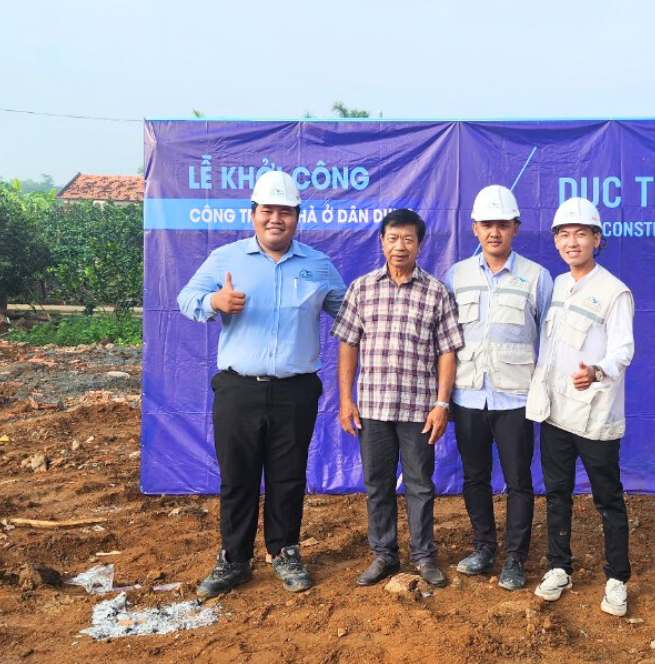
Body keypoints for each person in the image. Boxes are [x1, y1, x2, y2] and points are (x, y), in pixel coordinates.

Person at [176, 170, 346, 597]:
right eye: (268, 210)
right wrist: (214, 301)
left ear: (297, 218)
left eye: (285, 211)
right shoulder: (226, 258)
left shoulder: (318, 265)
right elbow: (186, 299)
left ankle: (285, 552)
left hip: (295, 391)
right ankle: (234, 559)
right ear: (252, 214)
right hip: (239, 389)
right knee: (238, 478)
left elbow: (350, 313)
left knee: (288, 477)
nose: (276, 219)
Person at [331, 208, 464, 588]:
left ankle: (423, 556)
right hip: (372, 408)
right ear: (382, 242)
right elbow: (348, 344)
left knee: (420, 484)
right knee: (377, 483)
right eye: (393, 238)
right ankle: (384, 554)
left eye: (408, 239)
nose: (400, 246)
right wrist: (346, 400)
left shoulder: (436, 292)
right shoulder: (362, 289)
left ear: (420, 245)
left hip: (419, 409)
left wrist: (441, 404)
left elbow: (447, 351)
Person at [526, 197, 635, 617]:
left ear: (597, 239)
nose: (572, 242)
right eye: (564, 235)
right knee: (557, 494)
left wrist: (597, 371)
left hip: (595, 415)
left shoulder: (613, 291)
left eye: (581, 234)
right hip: (555, 413)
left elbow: (623, 350)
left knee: (608, 498)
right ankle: (559, 568)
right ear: (556, 241)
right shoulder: (556, 285)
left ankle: (617, 578)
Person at [444, 185, 552, 590]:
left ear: (515, 228)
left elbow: (550, 340)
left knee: (518, 480)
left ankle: (515, 559)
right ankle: (484, 548)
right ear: (474, 228)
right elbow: (445, 340)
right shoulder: (456, 276)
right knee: (474, 477)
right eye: (487, 224)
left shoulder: (537, 277)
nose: (494, 232)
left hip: (515, 398)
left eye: (502, 225)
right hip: (468, 395)